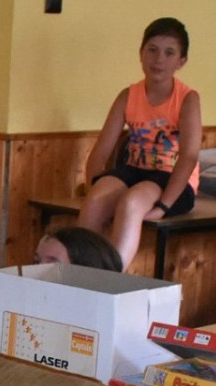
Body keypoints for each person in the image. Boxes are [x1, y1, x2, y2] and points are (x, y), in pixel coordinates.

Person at [76, 18, 203, 268]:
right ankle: (77, 275)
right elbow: (102, 150)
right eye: (152, 50)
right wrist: (93, 187)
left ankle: (112, 278)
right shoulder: (128, 95)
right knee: (96, 200)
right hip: (135, 170)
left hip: (173, 180)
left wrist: (164, 205)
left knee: (132, 202)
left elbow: (189, 156)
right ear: (141, 54)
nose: (159, 60)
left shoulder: (188, 99)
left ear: (181, 61)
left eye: (169, 53)